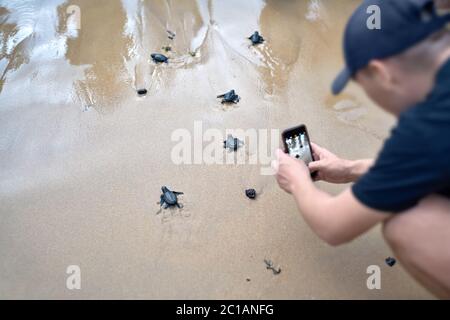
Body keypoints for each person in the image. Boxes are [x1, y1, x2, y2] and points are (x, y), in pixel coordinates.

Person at [273, 0, 450, 298]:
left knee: (407, 225)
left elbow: (333, 226)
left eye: (364, 86)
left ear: (380, 74)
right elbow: (432, 165)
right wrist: (350, 169)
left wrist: (298, 181)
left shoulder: (427, 126)